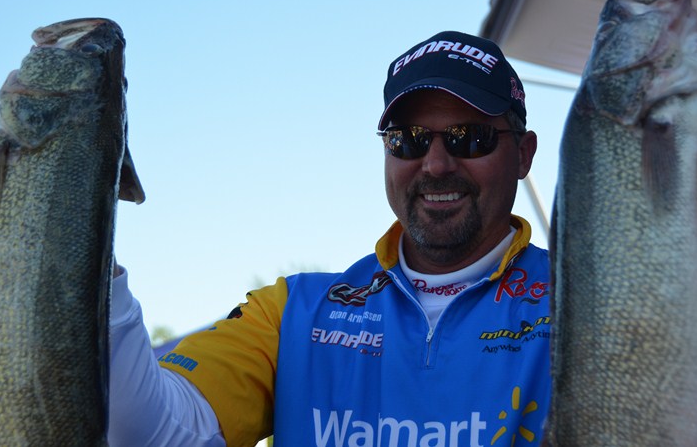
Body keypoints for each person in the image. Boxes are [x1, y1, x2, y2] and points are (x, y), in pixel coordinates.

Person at [109, 30, 551, 446]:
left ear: (523, 154)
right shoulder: (291, 313)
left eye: (469, 138)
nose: (435, 165)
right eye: (408, 140)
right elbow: (148, 434)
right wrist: (86, 249)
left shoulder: (578, 306)